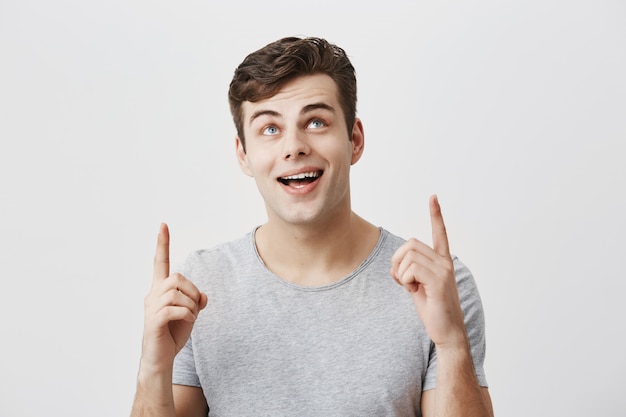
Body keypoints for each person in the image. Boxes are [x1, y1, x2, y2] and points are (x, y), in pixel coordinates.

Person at [131, 36, 494, 417]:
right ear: (243, 154)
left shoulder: (435, 286)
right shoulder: (202, 284)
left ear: (354, 140)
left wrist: (452, 343)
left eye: (316, 121)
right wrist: (153, 368)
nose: (294, 146)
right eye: (270, 128)